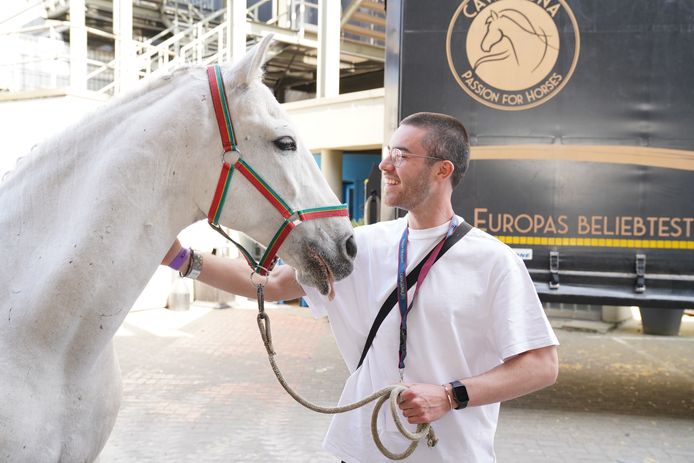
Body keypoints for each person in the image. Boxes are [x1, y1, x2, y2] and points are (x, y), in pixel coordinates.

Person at [163, 112, 559, 462]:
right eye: (389, 151)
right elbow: (269, 284)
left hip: (451, 453)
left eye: (402, 155)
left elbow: (541, 366)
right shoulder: (363, 245)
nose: (385, 164)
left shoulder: (493, 261)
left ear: (442, 170)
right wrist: (179, 257)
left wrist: (449, 395)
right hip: (361, 450)